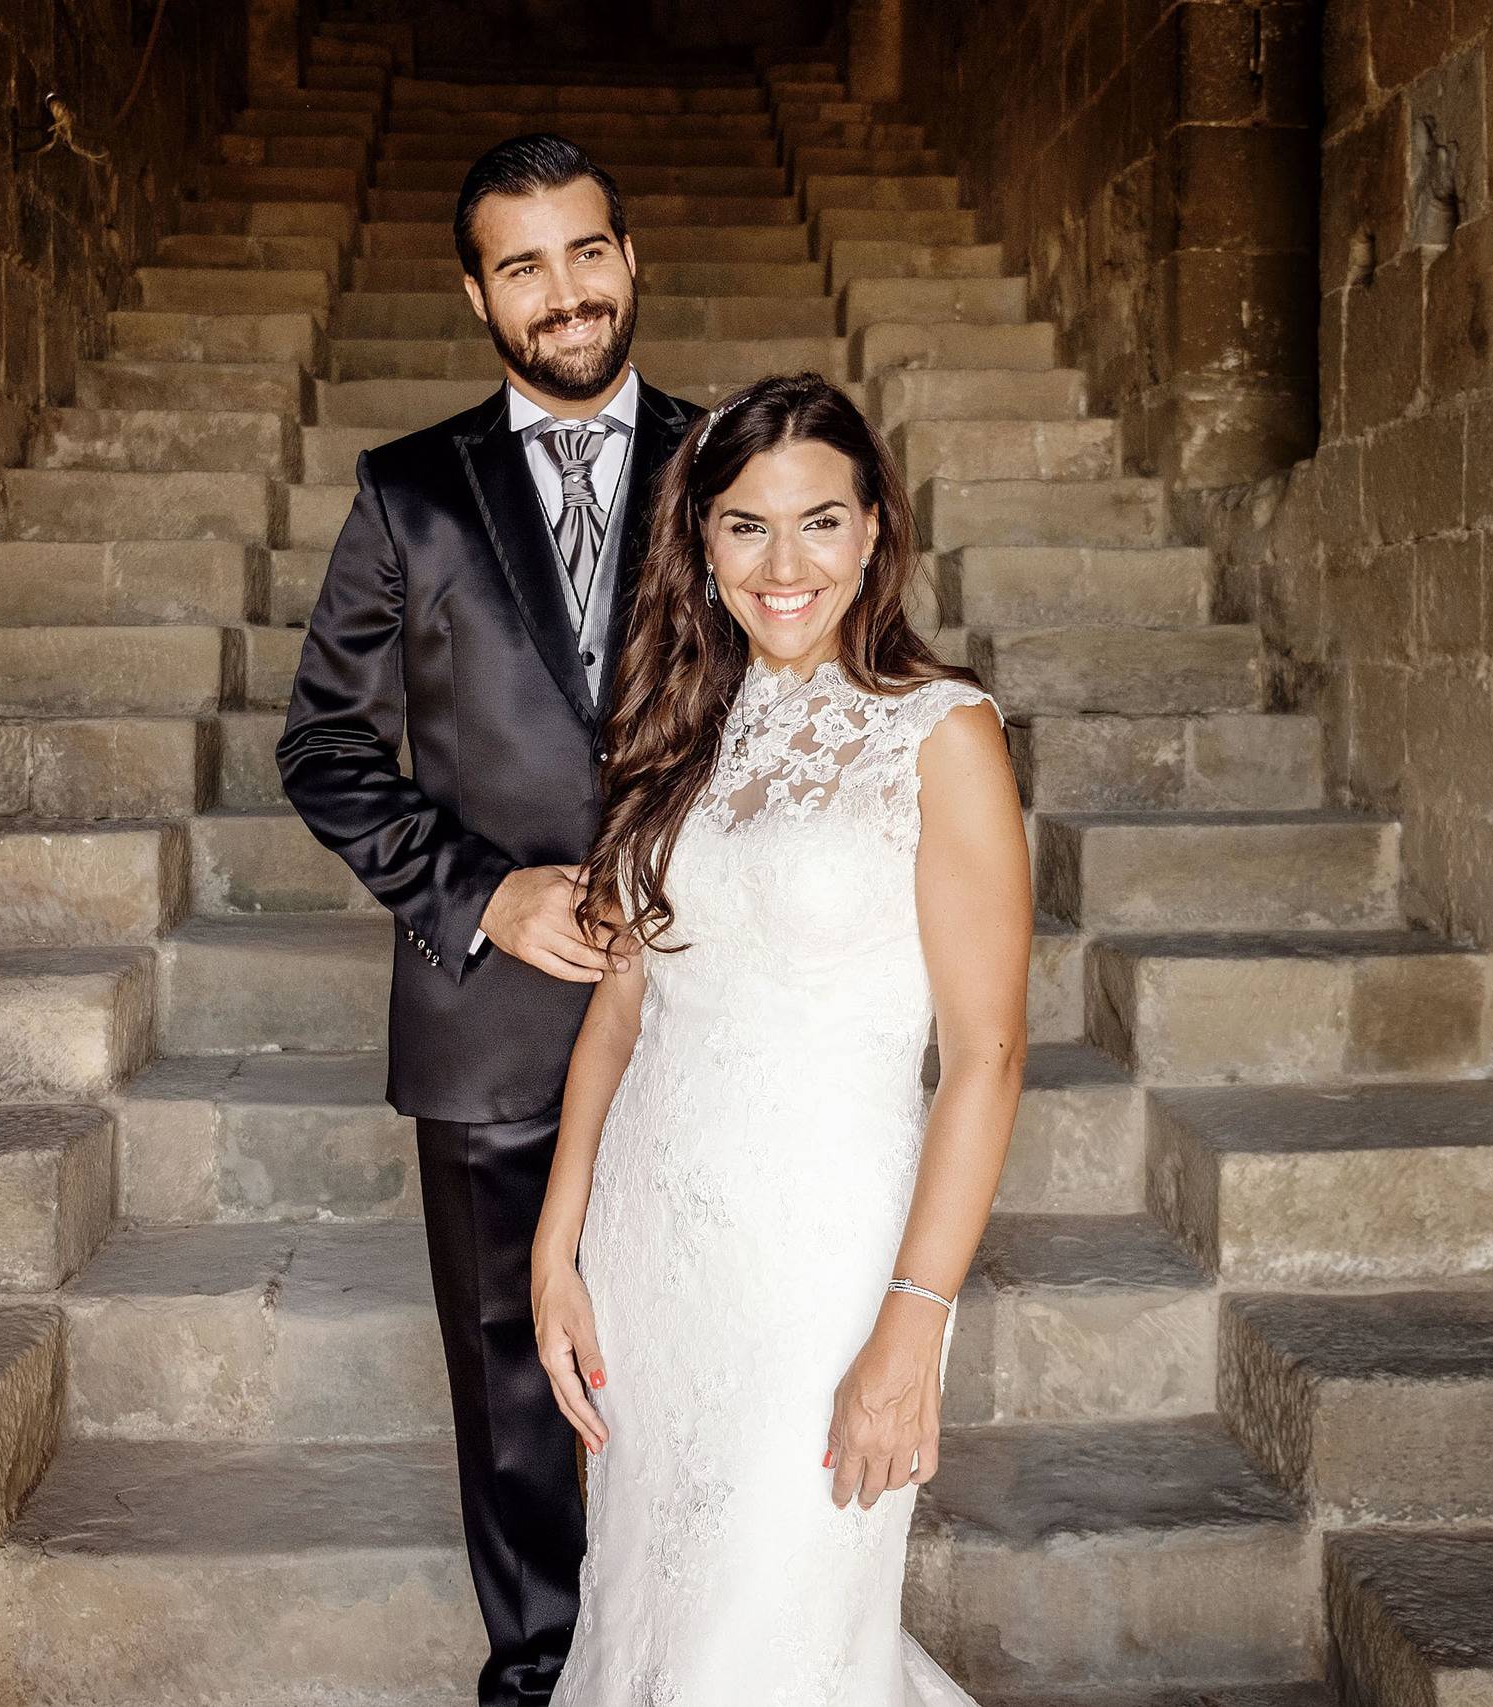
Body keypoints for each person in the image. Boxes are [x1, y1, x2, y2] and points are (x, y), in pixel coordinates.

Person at [276, 134, 701, 1707]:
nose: (565, 292)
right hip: (490, 1022)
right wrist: (483, 893)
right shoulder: (410, 494)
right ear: (476, 291)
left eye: (585, 252)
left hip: (708, 1006)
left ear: (629, 258)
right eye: (522, 265)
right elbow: (321, 744)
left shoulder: (732, 465)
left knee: (700, 1354)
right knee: (515, 1384)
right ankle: (535, 1680)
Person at [531, 372, 1032, 1703]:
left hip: (823, 1274)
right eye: (746, 525)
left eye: (820, 521)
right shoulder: (679, 732)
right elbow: (625, 1005)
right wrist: (558, 1244)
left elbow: (988, 1053)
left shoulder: (944, 734)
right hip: (654, 1260)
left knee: (774, 1643)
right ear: (701, 542)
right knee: (657, 1628)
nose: (784, 562)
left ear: (875, 530)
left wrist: (910, 1329)